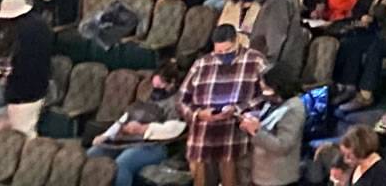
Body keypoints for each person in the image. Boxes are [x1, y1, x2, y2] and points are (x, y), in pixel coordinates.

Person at [180, 25, 268, 186]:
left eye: (227, 50)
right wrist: (198, 113)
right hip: (204, 137)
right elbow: (182, 99)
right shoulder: (201, 63)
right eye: (219, 52)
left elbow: (266, 95)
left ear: (236, 42)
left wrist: (239, 108)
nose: (223, 56)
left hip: (235, 137)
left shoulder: (256, 60)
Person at [88, 61, 186, 186]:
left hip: (155, 145)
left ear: (172, 83)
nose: (156, 88)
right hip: (127, 139)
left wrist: (143, 129)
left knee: (122, 164)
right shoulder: (148, 94)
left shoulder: (177, 102)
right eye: (154, 85)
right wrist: (106, 135)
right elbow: (126, 118)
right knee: (93, 154)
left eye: (161, 85)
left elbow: (174, 128)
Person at [0, 0, 53, 136]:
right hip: (39, 85)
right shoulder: (40, 24)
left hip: (23, 90)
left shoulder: (22, 31)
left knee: (24, 132)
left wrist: (8, 75)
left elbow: (21, 62)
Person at [241, 70, 303, 186]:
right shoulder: (271, 102)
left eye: (267, 90)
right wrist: (250, 119)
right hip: (261, 175)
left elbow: (282, 146)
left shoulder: (294, 108)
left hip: (279, 179)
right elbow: (267, 121)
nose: (264, 94)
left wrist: (255, 131)